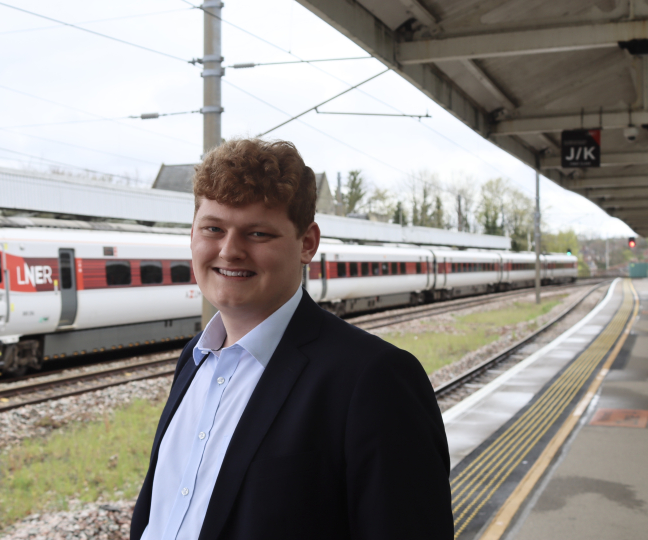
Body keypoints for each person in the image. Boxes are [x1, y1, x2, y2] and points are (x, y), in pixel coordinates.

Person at [131, 139, 452, 540]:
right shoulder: (193, 361)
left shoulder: (374, 379)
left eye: (258, 234)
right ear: (192, 235)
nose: (229, 251)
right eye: (213, 228)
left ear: (308, 243)